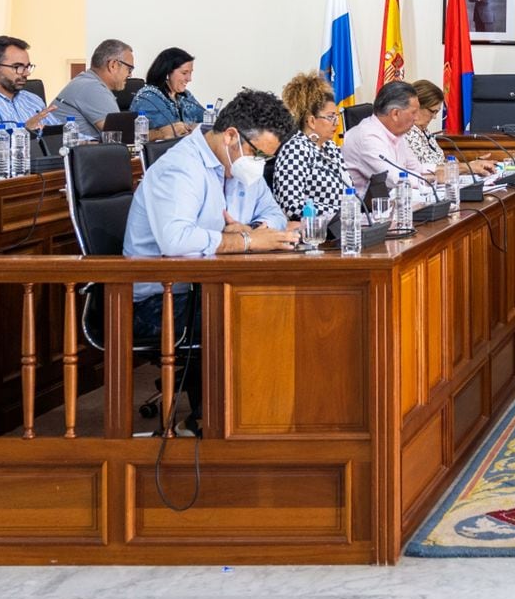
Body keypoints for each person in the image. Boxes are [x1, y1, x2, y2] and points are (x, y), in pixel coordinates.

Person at [124, 88, 298, 428]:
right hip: (160, 300)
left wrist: (256, 230)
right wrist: (247, 241)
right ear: (232, 135)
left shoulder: (238, 167)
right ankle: (220, 424)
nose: (259, 164)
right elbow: (176, 241)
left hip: (207, 287)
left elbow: (275, 214)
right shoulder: (180, 169)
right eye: (257, 154)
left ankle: (259, 418)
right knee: (256, 313)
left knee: (281, 303)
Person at [271, 72, 348, 220]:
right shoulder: (295, 150)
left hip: (340, 227)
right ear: (311, 121)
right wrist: (338, 213)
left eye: (336, 117)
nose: (336, 123)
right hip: (312, 233)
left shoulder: (330, 147)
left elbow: (347, 192)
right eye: (331, 117)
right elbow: (291, 206)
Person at [343, 79, 432, 191]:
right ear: (395, 114)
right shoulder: (367, 137)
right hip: (364, 207)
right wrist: (432, 179)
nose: (417, 118)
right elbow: (393, 179)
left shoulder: (397, 134)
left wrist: (446, 170)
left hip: (395, 203)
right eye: (413, 112)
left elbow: (417, 168)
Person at [402, 79, 498, 175]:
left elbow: (438, 164)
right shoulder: (406, 133)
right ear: (418, 106)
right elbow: (423, 169)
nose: (434, 117)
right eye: (433, 111)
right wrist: (467, 167)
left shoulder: (424, 132)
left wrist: (473, 164)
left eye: (437, 112)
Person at [53, 39, 135, 134]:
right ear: (113, 65)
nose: (130, 75)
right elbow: (121, 136)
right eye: (129, 69)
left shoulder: (86, 81)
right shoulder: (92, 88)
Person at [0, 35, 53, 130]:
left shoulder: (33, 100)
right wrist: (25, 130)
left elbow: (61, 134)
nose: (27, 73)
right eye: (18, 67)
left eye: (27, 67)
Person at [129, 47, 203, 140]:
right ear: (167, 73)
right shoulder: (148, 97)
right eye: (184, 73)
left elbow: (207, 122)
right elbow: (174, 131)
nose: (189, 79)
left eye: (190, 73)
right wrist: (193, 127)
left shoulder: (185, 96)